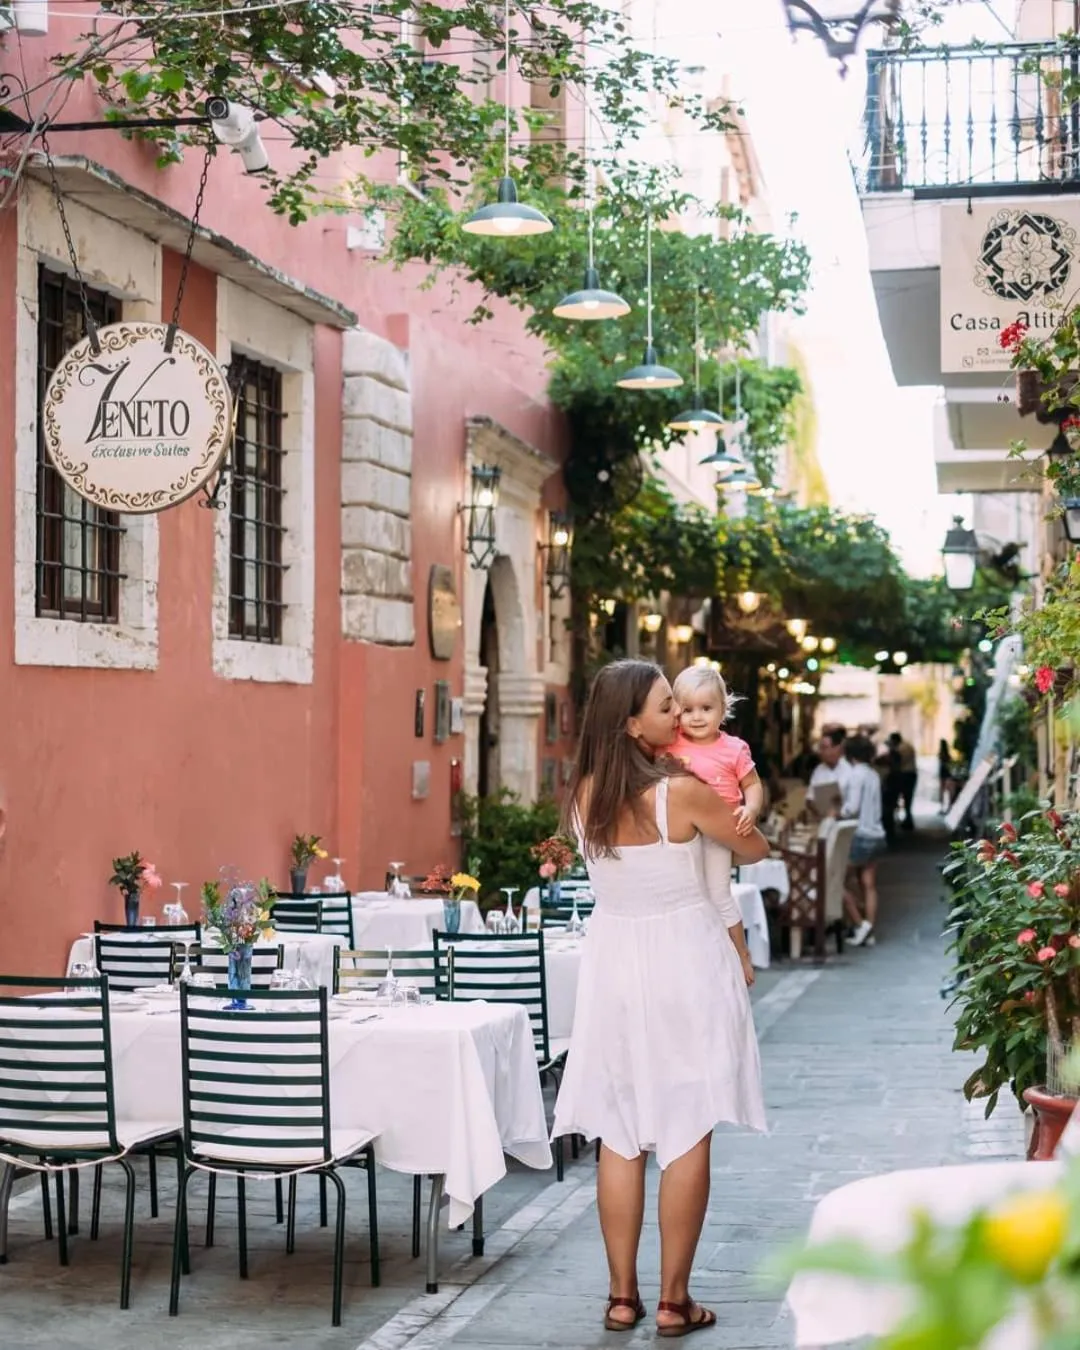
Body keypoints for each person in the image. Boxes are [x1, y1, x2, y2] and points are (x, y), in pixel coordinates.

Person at [552, 659, 770, 1336]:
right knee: (688, 1123)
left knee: (619, 1133)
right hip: (686, 962)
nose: (679, 715)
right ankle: (675, 1302)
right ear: (631, 723)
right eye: (666, 705)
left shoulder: (584, 795)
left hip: (614, 963)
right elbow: (755, 849)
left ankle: (622, 1297)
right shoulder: (684, 792)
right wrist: (741, 801)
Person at [670, 667, 764, 922]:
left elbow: (752, 784)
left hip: (719, 831)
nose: (697, 717)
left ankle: (733, 943)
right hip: (679, 831)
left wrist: (751, 809)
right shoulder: (670, 744)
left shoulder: (734, 748)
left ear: (723, 709)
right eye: (687, 710)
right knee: (684, 895)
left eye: (706, 708)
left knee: (719, 894)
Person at [841, 734, 887, 947]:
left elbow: (852, 808)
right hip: (877, 835)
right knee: (869, 884)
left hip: (860, 835)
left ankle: (860, 924)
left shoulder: (855, 775)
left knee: (838, 880)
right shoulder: (873, 775)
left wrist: (837, 811)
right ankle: (870, 929)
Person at [808, 726, 853, 816]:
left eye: (824, 748)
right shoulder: (818, 770)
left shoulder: (851, 770)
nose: (821, 752)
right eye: (820, 748)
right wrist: (816, 809)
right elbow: (809, 798)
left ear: (837, 748)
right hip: (823, 818)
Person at [887, 731, 918, 833]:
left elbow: (896, 761)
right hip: (912, 774)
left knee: (899, 798)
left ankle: (906, 821)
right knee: (908, 799)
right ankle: (908, 819)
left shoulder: (900, 749)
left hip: (904, 774)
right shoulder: (908, 746)